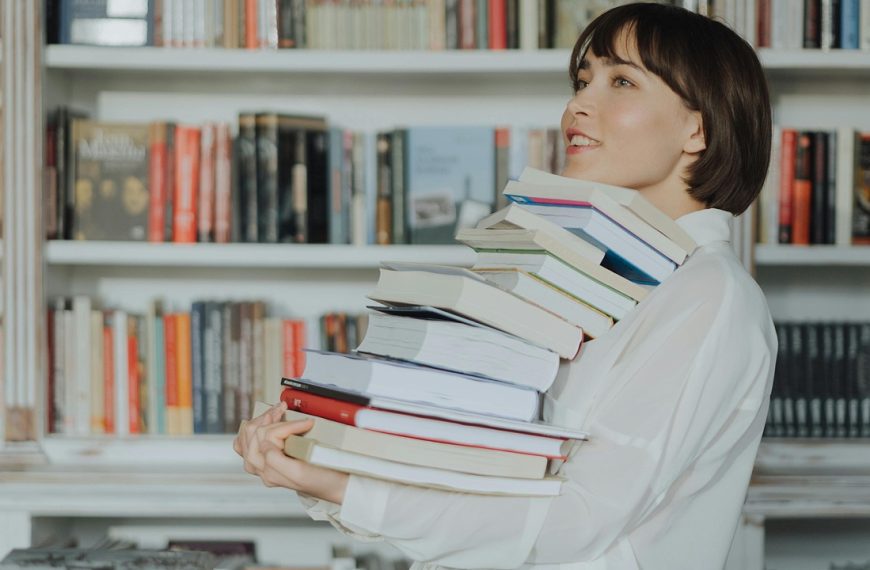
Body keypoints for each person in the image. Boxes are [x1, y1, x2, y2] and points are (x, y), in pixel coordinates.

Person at [233, 3, 777, 569]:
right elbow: (487, 471)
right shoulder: (591, 274)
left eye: (621, 81)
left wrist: (349, 490)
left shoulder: (709, 296)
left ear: (699, 129)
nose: (579, 103)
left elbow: (576, 521)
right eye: (583, 80)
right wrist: (320, 457)